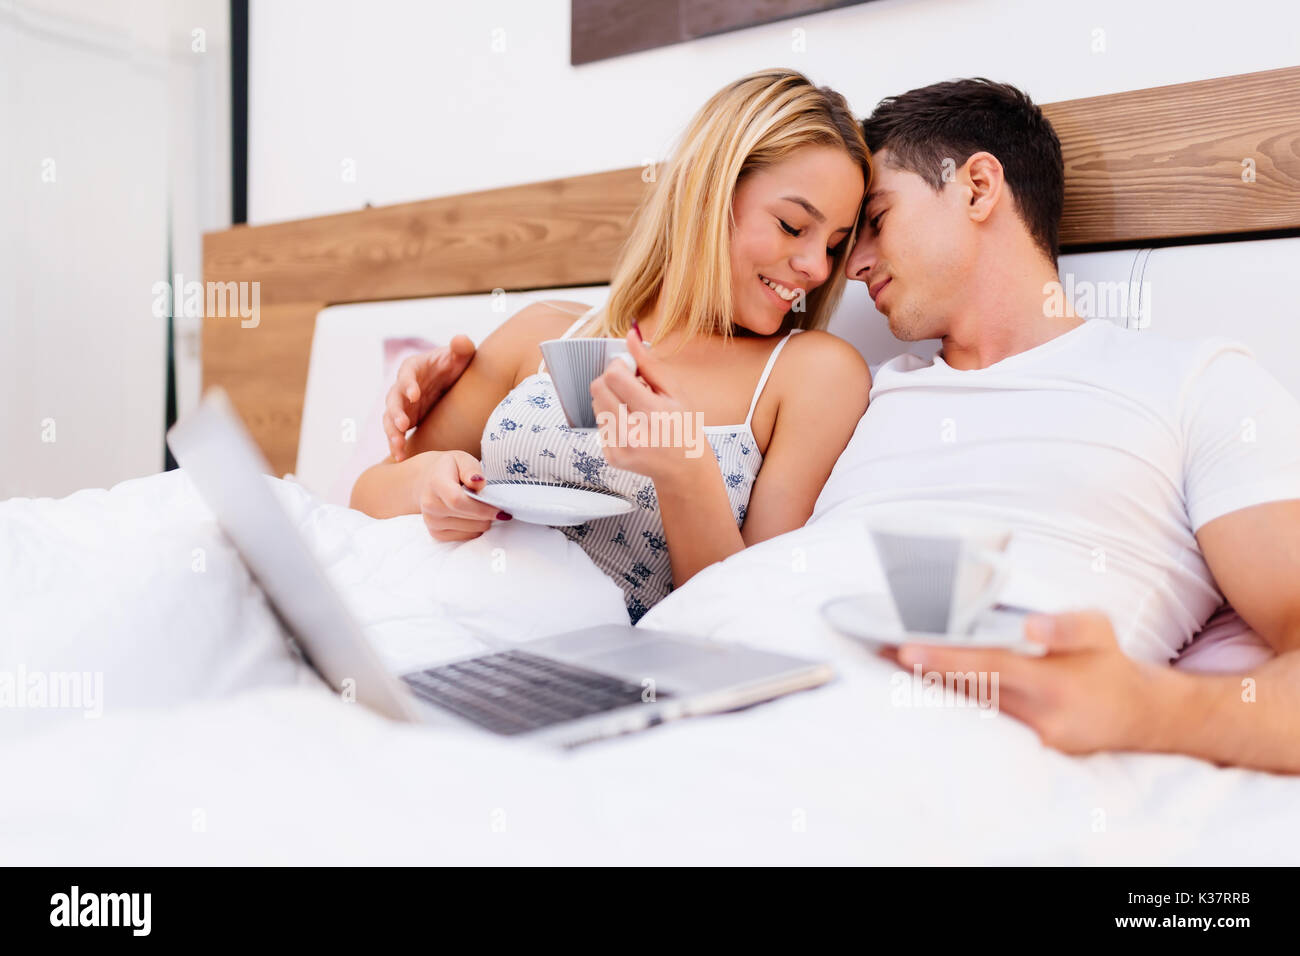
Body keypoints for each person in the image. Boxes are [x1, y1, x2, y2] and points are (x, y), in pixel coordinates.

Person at [382, 78, 1300, 774]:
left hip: (903, 742)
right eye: (823, 231)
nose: (841, 267)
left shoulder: (1189, 385)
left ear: (979, 187)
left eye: (873, 223)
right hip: (687, 695)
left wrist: (1151, 711)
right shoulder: (877, 392)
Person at [352, 69, 872, 623]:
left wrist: (687, 472)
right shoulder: (544, 331)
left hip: (597, 668)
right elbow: (367, 496)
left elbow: (746, 619)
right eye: (794, 226)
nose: (817, 267)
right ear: (706, 192)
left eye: (836, 246)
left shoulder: (813, 374)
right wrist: (429, 486)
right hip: (431, 613)